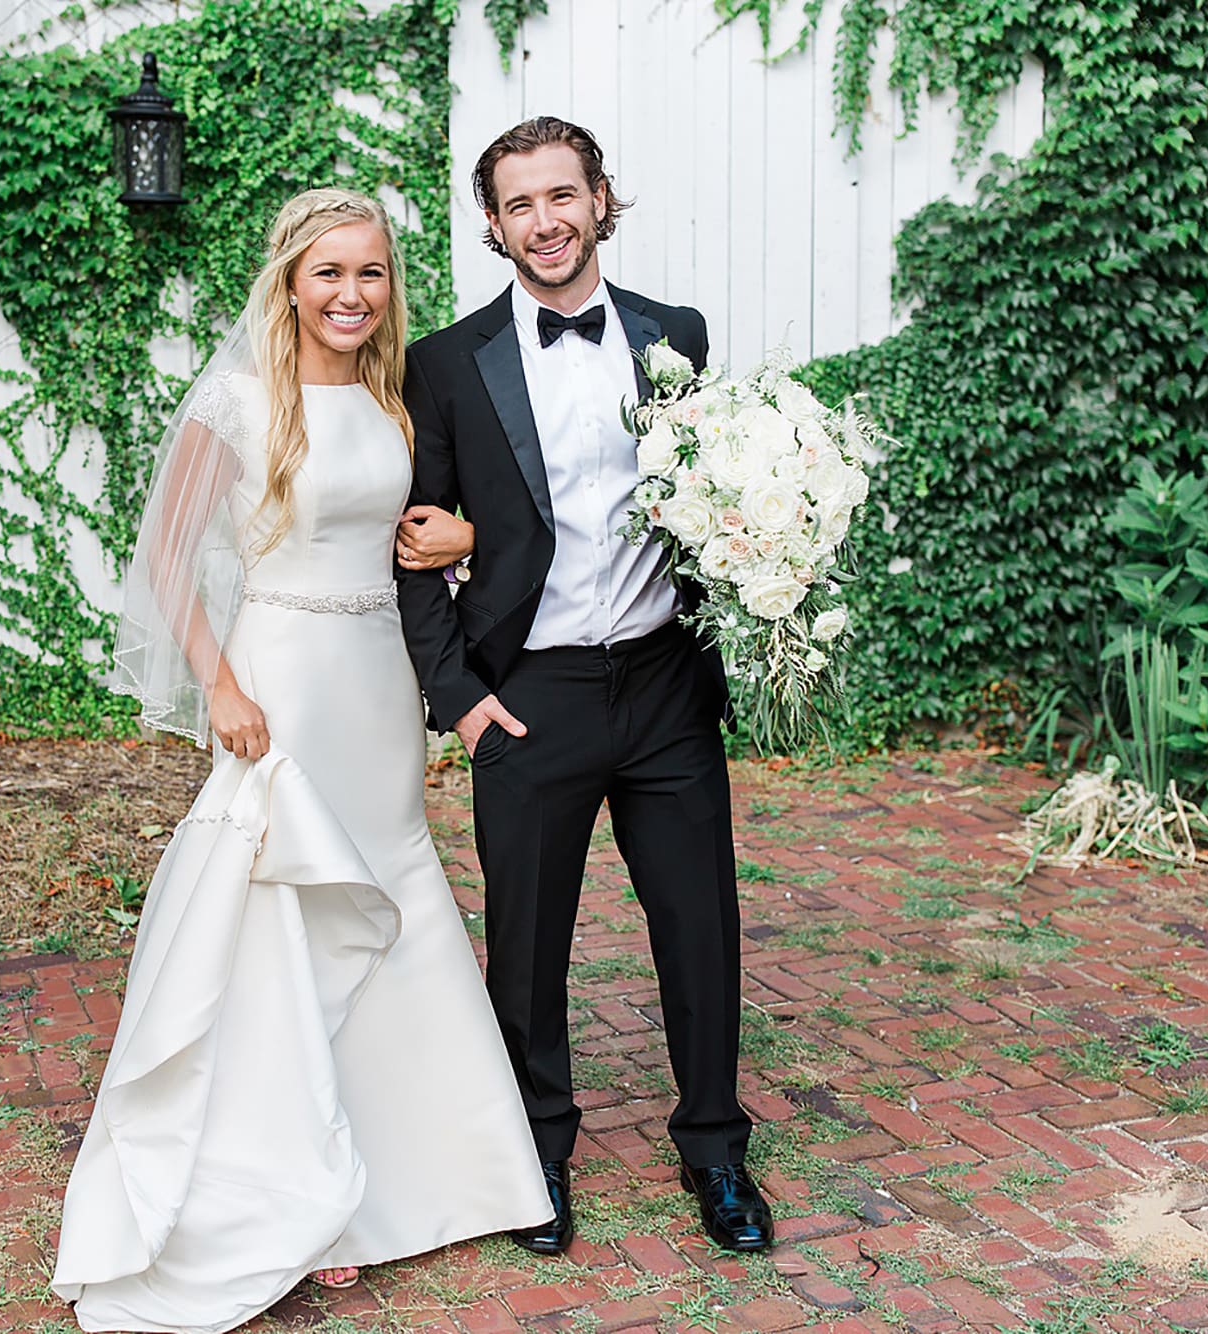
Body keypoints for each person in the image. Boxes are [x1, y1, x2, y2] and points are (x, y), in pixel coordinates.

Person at [51, 188, 553, 1334]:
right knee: (282, 906)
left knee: (388, 883)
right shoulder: (235, 402)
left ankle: (425, 1169)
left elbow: (435, 528)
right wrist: (219, 681)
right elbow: (168, 558)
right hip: (279, 677)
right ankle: (297, 1190)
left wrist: (467, 537)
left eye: (370, 273)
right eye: (328, 272)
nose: (350, 294)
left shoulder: (395, 397)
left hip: (378, 678)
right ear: (288, 280)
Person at [395, 117, 774, 1257]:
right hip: (531, 692)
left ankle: (714, 1148)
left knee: (699, 926)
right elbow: (408, 546)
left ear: (600, 199)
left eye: (562, 195)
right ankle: (535, 1154)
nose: (544, 221)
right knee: (527, 939)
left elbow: (713, 493)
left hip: (663, 682)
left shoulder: (676, 335)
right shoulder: (446, 365)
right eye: (518, 204)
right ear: (493, 224)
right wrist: (460, 699)